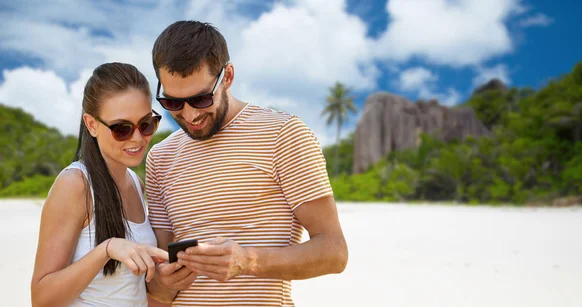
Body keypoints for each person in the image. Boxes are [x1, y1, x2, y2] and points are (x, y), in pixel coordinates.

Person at [145, 21, 349, 306]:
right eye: (173, 103)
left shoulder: (283, 134)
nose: (189, 115)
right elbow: (159, 282)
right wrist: (161, 281)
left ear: (227, 76)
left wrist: (248, 260)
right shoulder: (160, 157)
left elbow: (334, 252)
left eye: (201, 99)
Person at [31, 62, 171, 306]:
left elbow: (133, 294)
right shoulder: (75, 185)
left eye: (146, 124)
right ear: (92, 124)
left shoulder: (136, 184)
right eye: (121, 128)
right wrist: (106, 249)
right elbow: (42, 299)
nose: (138, 138)